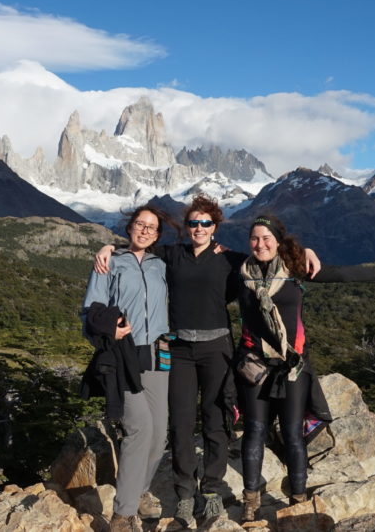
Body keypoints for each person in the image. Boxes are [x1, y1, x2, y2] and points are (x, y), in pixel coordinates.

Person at [95, 196, 321, 528]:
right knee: (182, 424)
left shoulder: (231, 261)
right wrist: (108, 248)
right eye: (193, 223)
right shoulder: (172, 255)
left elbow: (269, 259)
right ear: (186, 228)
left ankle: (211, 491)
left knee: (216, 419)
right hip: (180, 350)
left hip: (217, 348)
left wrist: (307, 253)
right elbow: (138, 246)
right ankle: (185, 494)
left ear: (215, 227)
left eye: (206, 223)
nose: (199, 229)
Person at [235, 215, 375, 523]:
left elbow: (340, 274)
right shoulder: (239, 273)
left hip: (292, 366)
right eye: (254, 238)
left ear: (278, 241)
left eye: (266, 238)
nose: (260, 244)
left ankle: (298, 499)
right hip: (255, 365)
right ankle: (250, 501)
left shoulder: (295, 269)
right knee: (254, 431)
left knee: (292, 433)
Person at [82, 205, 174, 532]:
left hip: (159, 352)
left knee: (160, 433)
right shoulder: (110, 263)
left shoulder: (161, 263)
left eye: (151, 227)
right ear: (130, 227)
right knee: (139, 428)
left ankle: (138, 489)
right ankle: (123, 514)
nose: (145, 230)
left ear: (158, 235)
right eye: (140, 224)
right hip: (124, 354)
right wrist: (109, 332)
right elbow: (89, 313)